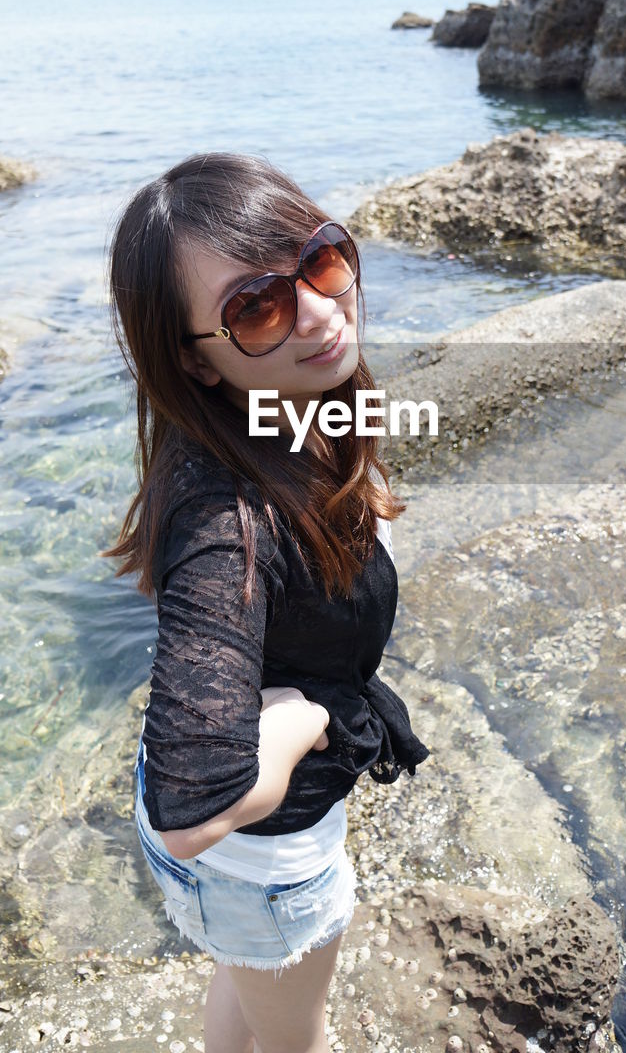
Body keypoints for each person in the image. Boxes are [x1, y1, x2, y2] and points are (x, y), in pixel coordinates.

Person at [104, 152, 429, 1053]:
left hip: (240, 872)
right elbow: (191, 806)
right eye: (254, 306)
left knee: (243, 990)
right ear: (194, 361)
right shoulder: (226, 521)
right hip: (261, 861)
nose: (321, 309)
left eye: (322, 260)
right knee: (297, 1039)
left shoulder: (292, 408)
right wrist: (304, 719)